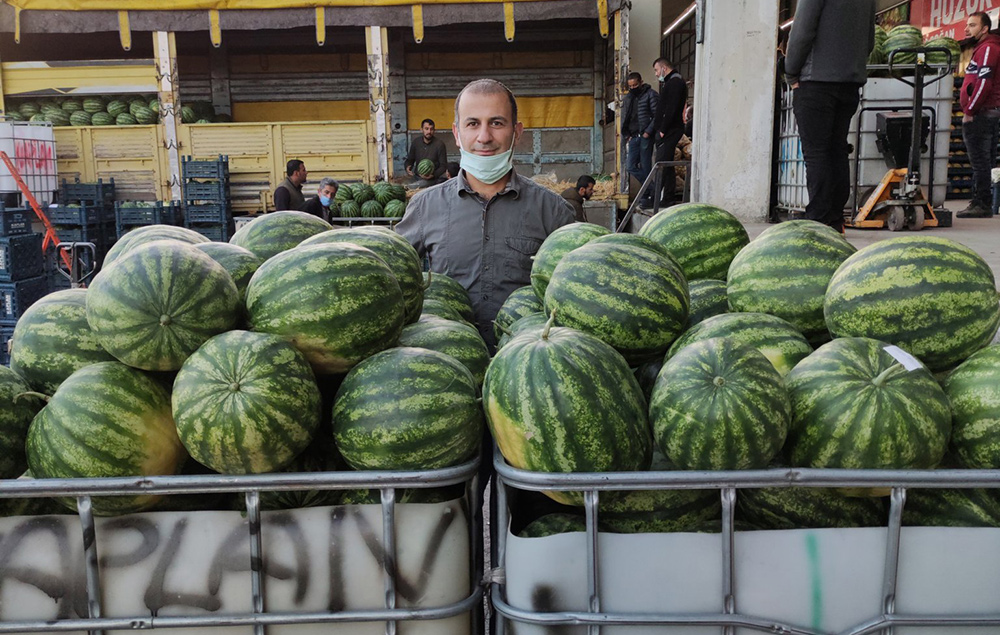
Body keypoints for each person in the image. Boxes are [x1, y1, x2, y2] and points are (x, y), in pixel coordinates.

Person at [396, 79, 575, 349]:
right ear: (456, 133)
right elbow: (391, 280)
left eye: (496, 123)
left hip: (527, 369)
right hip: (446, 365)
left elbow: (580, 294)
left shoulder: (553, 212)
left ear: (517, 132)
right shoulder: (424, 207)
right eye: (472, 124)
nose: (484, 137)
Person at [784, 0, 876, 232]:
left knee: (816, 152)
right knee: (837, 149)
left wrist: (791, 71)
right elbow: (869, 39)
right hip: (850, 82)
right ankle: (835, 218)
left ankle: (819, 217)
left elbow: (802, 31)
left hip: (816, 82)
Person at [957, 11, 1000, 218]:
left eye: (972, 25)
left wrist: (970, 111)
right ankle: (982, 202)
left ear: (984, 29)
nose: (967, 29)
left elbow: (984, 82)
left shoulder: (988, 48)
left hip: (981, 114)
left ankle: (981, 204)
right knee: (984, 160)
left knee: (980, 161)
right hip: (985, 113)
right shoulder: (984, 47)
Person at [651, 58, 688, 206]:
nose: (656, 74)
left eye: (656, 70)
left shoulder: (675, 83)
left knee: (662, 164)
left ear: (664, 68)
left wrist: (663, 130)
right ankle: (666, 197)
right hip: (669, 130)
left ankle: (661, 197)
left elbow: (671, 109)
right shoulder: (672, 82)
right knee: (666, 164)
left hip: (670, 130)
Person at [620, 72, 658, 194]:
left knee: (645, 167)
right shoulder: (628, 98)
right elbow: (625, 117)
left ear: (641, 82)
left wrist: (648, 131)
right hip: (633, 136)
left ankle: (648, 194)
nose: (632, 88)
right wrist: (627, 135)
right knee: (630, 166)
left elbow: (657, 115)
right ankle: (652, 190)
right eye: (630, 86)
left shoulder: (650, 95)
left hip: (645, 136)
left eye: (635, 85)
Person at [404, 118, 449, 188]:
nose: (429, 131)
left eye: (431, 129)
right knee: (404, 185)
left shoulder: (440, 144)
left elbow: (443, 165)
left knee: (414, 186)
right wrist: (408, 166)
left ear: (434, 130)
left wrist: (433, 175)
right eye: (426, 129)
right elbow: (410, 159)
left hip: (432, 178)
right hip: (417, 176)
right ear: (421, 129)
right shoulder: (416, 142)